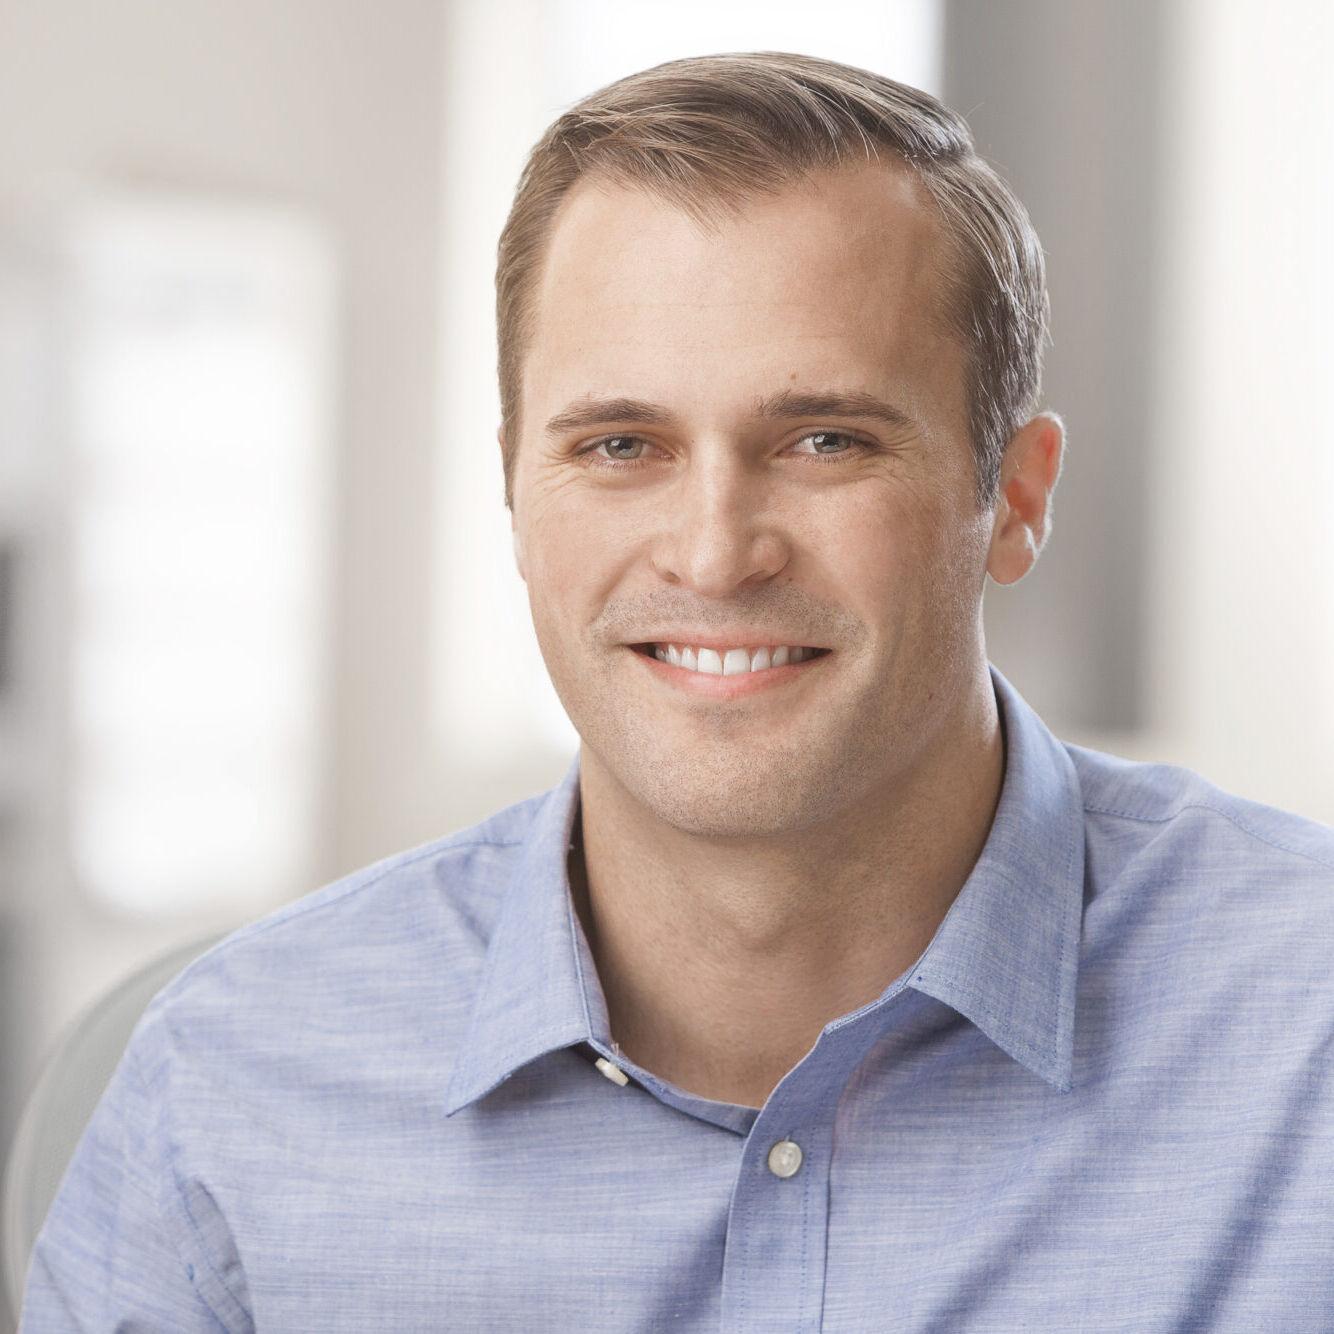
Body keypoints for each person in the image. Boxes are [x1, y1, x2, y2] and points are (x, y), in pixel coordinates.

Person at [20, 52, 1334, 1332]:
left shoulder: (1304, 1034)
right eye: (619, 445)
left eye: (825, 440)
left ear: (1015, 496)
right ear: (513, 492)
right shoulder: (230, 1091)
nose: (713, 551)